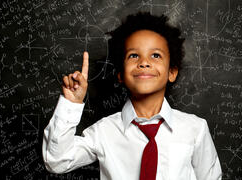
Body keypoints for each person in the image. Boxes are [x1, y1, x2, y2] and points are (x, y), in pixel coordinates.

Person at [42, 12, 222, 180]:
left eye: (156, 55)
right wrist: (71, 104)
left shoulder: (195, 129)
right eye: (134, 55)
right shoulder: (104, 131)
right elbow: (57, 162)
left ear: (172, 72)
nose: (144, 62)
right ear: (120, 74)